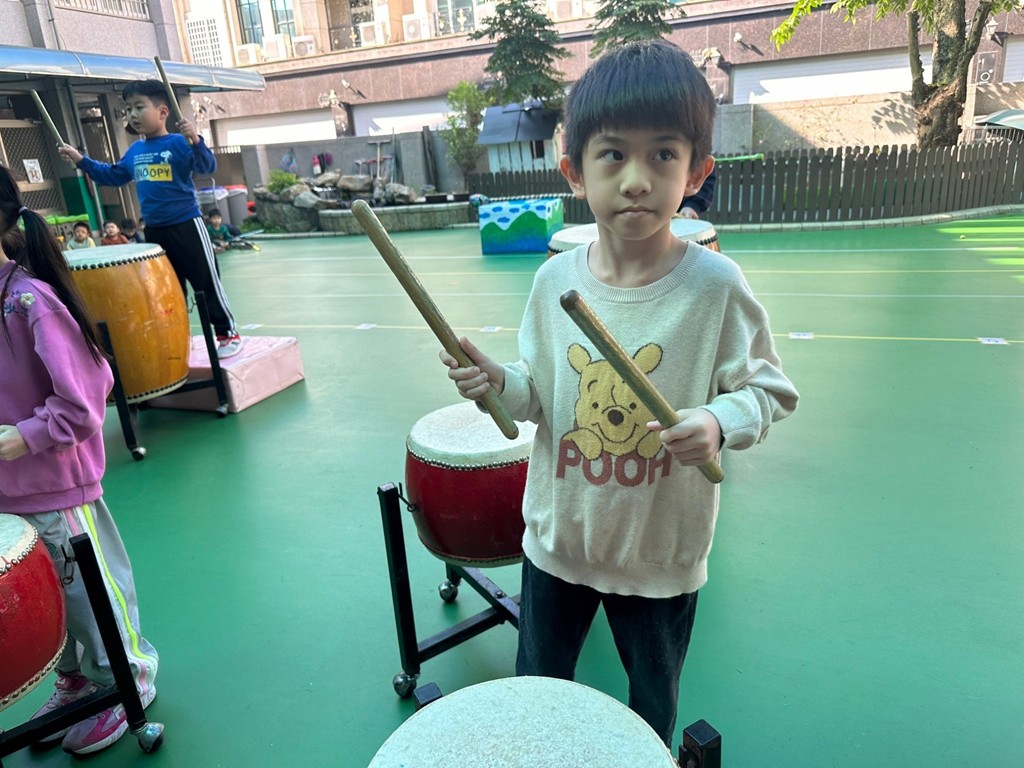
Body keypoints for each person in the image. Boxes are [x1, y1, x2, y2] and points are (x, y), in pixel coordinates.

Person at [439, 40, 799, 749]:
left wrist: (718, 421)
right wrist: (498, 385)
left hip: (660, 558)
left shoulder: (715, 287)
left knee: (649, 721)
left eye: (663, 154)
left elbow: (769, 390)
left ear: (697, 170)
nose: (637, 179)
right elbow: (539, 396)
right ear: (575, 169)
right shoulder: (554, 282)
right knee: (539, 700)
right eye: (613, 155)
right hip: (558, 545)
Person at [0, 165, 159, 756]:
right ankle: (75, 682)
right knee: (46, 605)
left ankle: (128, 681)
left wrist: (25, 436)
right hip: (8, 495)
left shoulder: (30, 301)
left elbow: (87, 397)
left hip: (55, 488)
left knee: (90, 599)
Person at [58, 80, 243, 359]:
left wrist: (196, 141)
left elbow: (207, 167)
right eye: (128, 109)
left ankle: (227, 333)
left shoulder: (179, 143)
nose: (132, 114)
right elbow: (112, 175)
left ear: (163, 111)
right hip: (154, 232)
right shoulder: (135, 152)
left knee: (206, 283)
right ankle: (180, 336)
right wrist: (81, 160)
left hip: (187, 226)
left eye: (139, 107)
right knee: (168, 288)